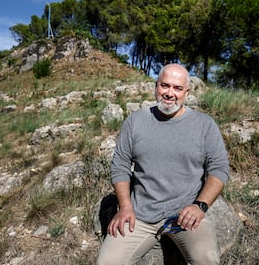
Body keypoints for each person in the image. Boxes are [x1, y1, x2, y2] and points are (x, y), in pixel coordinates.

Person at [96, 63, 230, 265]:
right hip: (140, 216)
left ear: (187, 92)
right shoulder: (136, 121)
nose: (169, 93)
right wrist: (124, 206)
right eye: (164, 86)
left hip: (184, 215)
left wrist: (199, 206)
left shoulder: (205, 125)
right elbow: (121, 165)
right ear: (156, 86)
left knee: (207, 261)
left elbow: (219, 169)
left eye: (177, 88)